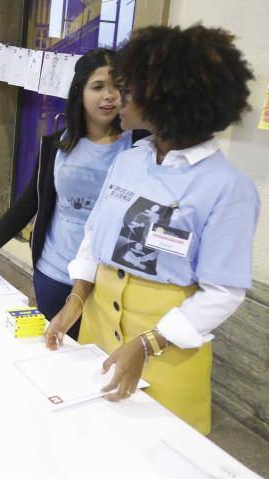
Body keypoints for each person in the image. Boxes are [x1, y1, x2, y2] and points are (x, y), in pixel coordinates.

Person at [45, 25, 259, 436]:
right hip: (95, 326)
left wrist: (148, 344)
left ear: (165, 99)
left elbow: (223, 291)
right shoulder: (128, 160)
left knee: (156, 454)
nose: (116, 99)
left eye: (128, 89)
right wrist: (76, 298)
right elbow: (94, 236)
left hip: (165, 346)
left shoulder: (228, 188)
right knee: (91, 436)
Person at [0, 48, 141, 339]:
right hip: (54, 274)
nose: (110, 96)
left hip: (111, 284)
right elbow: (27, 204)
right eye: (98, 87)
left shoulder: (139, 146)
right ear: (80, 91)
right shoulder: (57, 144)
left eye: (118, 87)